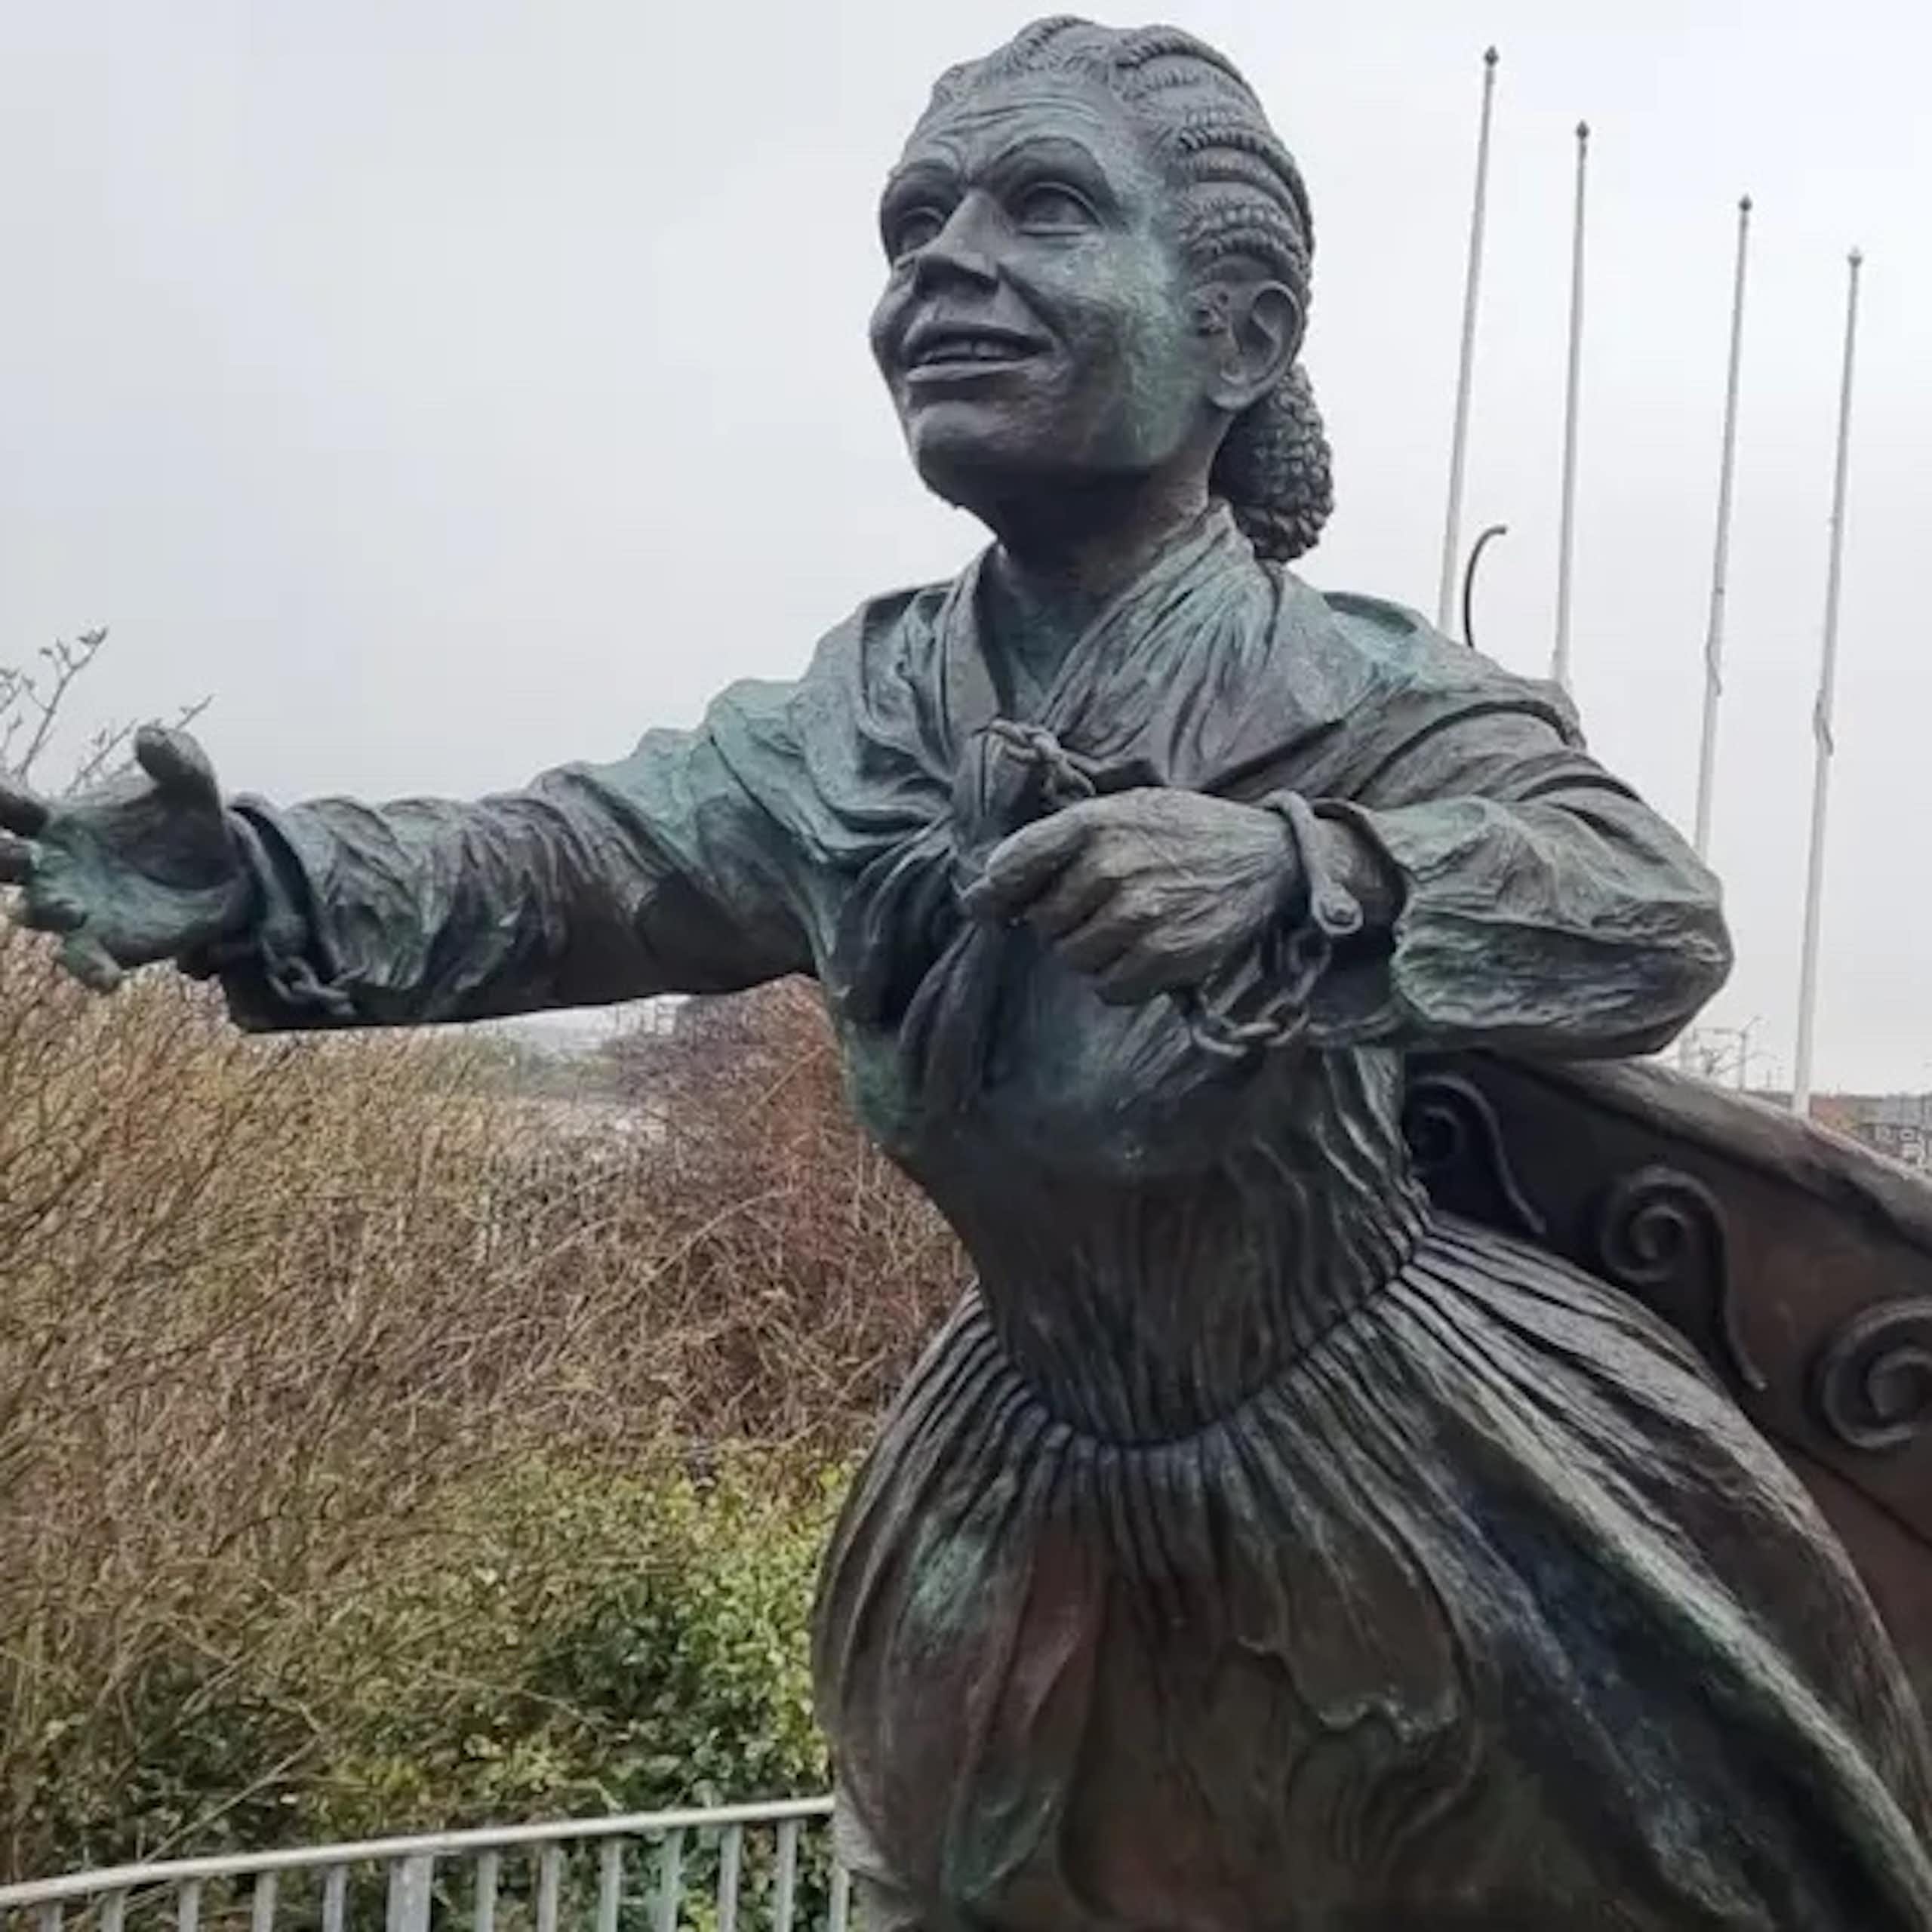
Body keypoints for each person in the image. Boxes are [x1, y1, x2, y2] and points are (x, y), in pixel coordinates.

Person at [5, 17, 1930, 1927]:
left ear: (1237, 338)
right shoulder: (860, 714)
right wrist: (257, 875)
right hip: (1022, 1482)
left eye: (1041, 209)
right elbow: (572, 855)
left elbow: (1644, 909)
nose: (942, 265)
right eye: (912, 220)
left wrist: (1300, 871)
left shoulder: (1358, 687)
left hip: (1427, 1457)